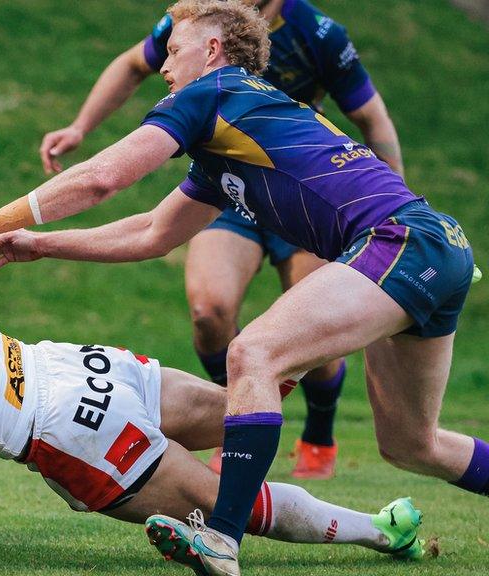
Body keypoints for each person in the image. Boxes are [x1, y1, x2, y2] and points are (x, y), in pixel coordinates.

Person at [0, 1, 478, 574]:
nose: (164, 65)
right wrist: (40, 244)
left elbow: (104, 177)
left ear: (212, 50)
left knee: (253, 353)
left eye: (176, 49)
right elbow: (152, 232)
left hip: (400, 242)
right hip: (436, 248)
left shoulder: (214, 93)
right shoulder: (230, 134)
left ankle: (222, 540)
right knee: (413, 444)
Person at [0, 242, 423, 565]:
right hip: (70, 363)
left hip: (67, 431)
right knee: (238, 404)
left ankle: (378, 528)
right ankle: (338, 323)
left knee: (220, 502)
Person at [38, 0, 405, 479]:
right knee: (209, 312)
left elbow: (373, 119)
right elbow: (132, 65)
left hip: (303, 189)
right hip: (226, 188)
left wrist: (392, 215)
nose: (168, 62)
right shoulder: (200, 23)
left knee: (311, 327)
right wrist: (80, 126)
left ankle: (318, 431)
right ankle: (232, 420)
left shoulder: (317, 32)